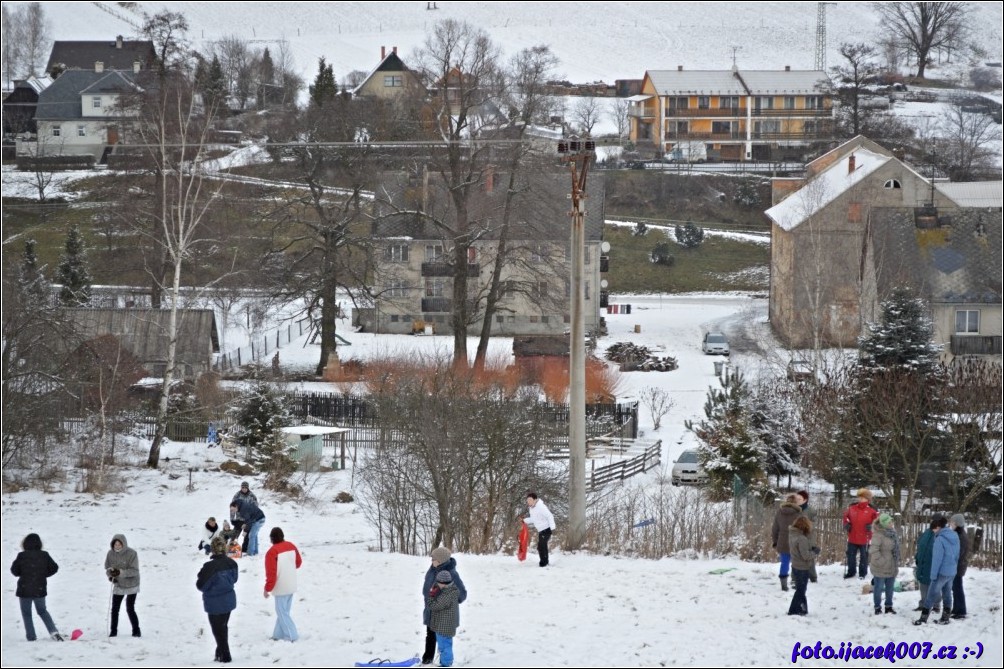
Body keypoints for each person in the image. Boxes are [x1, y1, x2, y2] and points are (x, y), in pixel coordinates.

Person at [10, 533, 64, 642]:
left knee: (26, 613)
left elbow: (14, 571)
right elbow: (54, 568)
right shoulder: (44, 555)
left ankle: (31, 637)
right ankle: (54, 632)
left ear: (25, 544)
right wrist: (43, 574)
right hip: (39, 588)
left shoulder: (22, 556)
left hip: (24, 589)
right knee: (43, 611)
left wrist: (24, 573)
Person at [421, 547, 468, 665]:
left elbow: (462, 594)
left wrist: (446, 600)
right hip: (430, 608)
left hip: (442, 613)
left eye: (434, 558)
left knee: (443, 640)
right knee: (430, 635)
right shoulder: (432, 569)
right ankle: (427, 659)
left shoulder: (451, 573)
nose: (431, 560)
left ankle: (446, 662)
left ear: (441, 560)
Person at [197, 535, 239, 663]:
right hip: (229, 601)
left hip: (215, 604)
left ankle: (226, 656)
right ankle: (219, 653)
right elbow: (234, 579)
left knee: (218, 630)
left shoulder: (209, 566)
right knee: (223, 627)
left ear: (213, 549)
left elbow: (201, 585)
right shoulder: (232, 563)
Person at [915, 515, 960, 625]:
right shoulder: (954, 535)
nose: (933, 532)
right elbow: (957, 554)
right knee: (947, 593)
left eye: (934, 529)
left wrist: (933, 575)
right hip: (951, 571)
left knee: (931, 594)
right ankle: (945, 617)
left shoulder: (939, 539)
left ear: (938, 527)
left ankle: (923, 618)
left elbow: (937, 560)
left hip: (941, 572)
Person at [263, 527, 301, 642]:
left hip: (281, 586)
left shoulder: (272, 552)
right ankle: (278, 635)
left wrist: (267, 588)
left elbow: (271, 573)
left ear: (271, 538)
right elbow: (298, 563)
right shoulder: (291, 546)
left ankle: (291, 635)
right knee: (284, 611)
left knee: (281, 612)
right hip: (291, 583)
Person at [105, 534, 141, 637]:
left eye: (119, 544)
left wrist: (120, 572)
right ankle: (113, 631)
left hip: (132, 584)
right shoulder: (110, 554)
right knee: (115, 609)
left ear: (123, 544)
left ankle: (136, 630)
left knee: (130, 608)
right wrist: (110, 575)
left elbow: (134, 571)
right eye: (115, 544)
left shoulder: (132, 553)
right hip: (119, 584)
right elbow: (107, 567)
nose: (117, 546)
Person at [425, 571, 460, 668]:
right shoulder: (449, 591)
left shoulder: (447, 595)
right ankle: (445, 662)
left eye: (438, 582)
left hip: (444, 627)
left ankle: (446, 664)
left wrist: (431, 596)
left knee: (444, 646)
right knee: (445, 645)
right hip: (444, 625)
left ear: (443, 583)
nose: (437, 584)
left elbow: (434, 606)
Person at [842, 488, 879, 579]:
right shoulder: (852, 508)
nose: (860, 499)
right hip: (852, 536)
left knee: (864, 557)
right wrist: (846, 524)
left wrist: (872, 526)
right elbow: (845, 518)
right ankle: (851, 572)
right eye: (860, 497)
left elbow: (878, 522)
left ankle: (862, 573)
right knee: (850, 555)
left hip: (865, 537)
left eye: (863, 497)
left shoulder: (873, 510)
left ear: (868, 499)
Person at [870, 513, 900, 615]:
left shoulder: (892, 533)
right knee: (878, 588)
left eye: (892, 521)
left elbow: (895, 549)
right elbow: (873, 550)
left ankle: (888, 606)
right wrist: (882, 561)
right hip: (880, 566)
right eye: (889, 522)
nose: (892, 523)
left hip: (891, 565)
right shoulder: (878, 534)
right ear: (884, 523)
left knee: (890, 588)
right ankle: (877, 607)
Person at [771, 494, 802, 591]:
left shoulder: (779, 512)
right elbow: (803, 530)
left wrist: (775, 541)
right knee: (797, 563)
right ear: (795, 503)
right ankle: (796, 582)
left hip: (782, 541)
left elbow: (775, 529)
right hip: (795, 541)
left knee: (784, 562)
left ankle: (783, 585)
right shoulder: (798, 514)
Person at [787, 516, 816, 616]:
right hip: (802, 567)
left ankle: (803, 609)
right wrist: (815, 552)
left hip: (795, 565)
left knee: (801, 589)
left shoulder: (792, 535)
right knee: (800, 590)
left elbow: (799, 550)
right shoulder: (802, 538)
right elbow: (806, 556)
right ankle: (793, 610)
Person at [523, 491, 555, 568]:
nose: (528, 502)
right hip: (541, 530)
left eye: (530, 500)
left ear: (535, 500)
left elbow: (550, 516)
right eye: (527, 500)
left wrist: (552, 527)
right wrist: (524, 520)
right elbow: (534, 519)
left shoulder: (541, 507)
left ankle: (544, 563)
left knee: (541, 546)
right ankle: (544, 562)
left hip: (546, 529)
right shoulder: (532, 508)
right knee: (541, 546)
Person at [914, 518, 938, 613]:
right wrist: (917, 558)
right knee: (923, 585)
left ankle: (936, 605)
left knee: (934, 586)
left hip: (933, 564)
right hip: (923, 563)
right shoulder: (926, 533)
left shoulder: (940, 535)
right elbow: (920, 547)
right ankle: (923, 604)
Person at [950, 513, 969, 620]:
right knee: (955, 588)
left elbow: (958, 553)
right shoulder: (957, 534)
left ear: (957, 523)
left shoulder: (960, 536)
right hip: (957, 566)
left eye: (952, 522)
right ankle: (956, 608)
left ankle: (961, 610)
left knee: (957, 588)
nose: (950, 524)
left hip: (958, 566)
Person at [232, 482, 259, 553]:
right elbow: (233, 506)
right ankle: (232, 548)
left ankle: (244, 549)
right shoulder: (237, 495)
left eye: (245, 487)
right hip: (239, 519)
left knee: (247, 535)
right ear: (241, 487)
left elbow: (255, 507)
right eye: (242, 487)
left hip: (248, 520)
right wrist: (233, 518)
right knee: (235, 534)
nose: (244, 489)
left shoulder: (252, 496)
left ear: (247, 488)